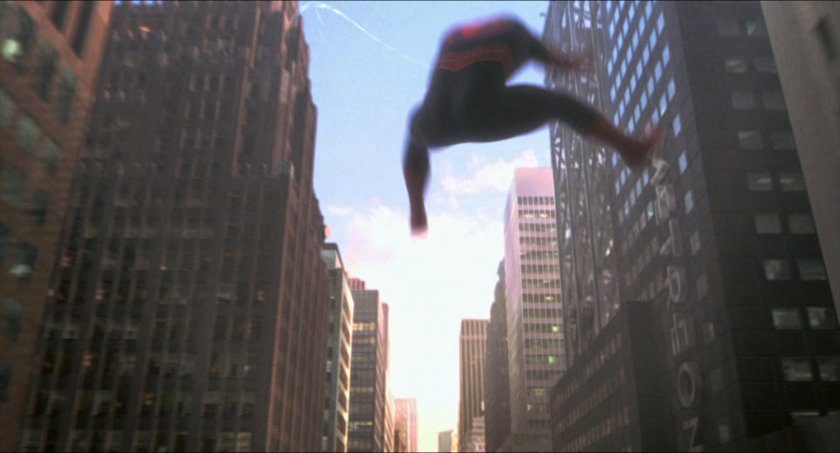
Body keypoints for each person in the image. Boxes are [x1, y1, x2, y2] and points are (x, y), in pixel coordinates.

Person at [403, 16, 662, 235]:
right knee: (559, 103)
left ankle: (416, 206)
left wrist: (416, 201)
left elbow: (555, 60)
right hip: (486, 109)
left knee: (415, 128)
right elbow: (556, 61)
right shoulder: (516, 32)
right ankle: (629, 147)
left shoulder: (454, 37)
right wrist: (573, 63)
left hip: (435, 121)